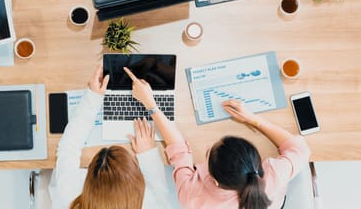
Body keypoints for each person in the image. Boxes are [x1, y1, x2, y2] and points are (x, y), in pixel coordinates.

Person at [124, 67, 311, 209]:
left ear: (213, 180)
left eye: (209, 153)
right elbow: (301, 149)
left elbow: (178, 151)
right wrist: (254, 120)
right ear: (257, 161)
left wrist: (151, 105)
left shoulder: (193, 199)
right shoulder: (274, 176)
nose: (207, 148)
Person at [48, 64, 172, 209]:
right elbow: (158, 188)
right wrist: (148, 153)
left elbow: (68, 150)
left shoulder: (70, 198)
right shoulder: (152, 204)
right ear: (139, 185)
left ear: (88, 184)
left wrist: (92, 98)